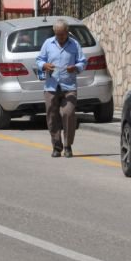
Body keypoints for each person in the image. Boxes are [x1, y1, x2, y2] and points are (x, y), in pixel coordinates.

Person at [35, 19, 87, 158]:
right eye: (58, 35)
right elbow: (39, 59)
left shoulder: (75, 44)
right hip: (51, 86)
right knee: (52, 117)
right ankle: (56, 147)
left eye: (63, 34)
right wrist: (44, 65)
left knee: (68, 114)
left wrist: (75, 67)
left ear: (67, 32)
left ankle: (67, 145)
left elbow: (83, 62)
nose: (61, 37)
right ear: (55, 33)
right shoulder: (48, 43)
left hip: (69, 86)